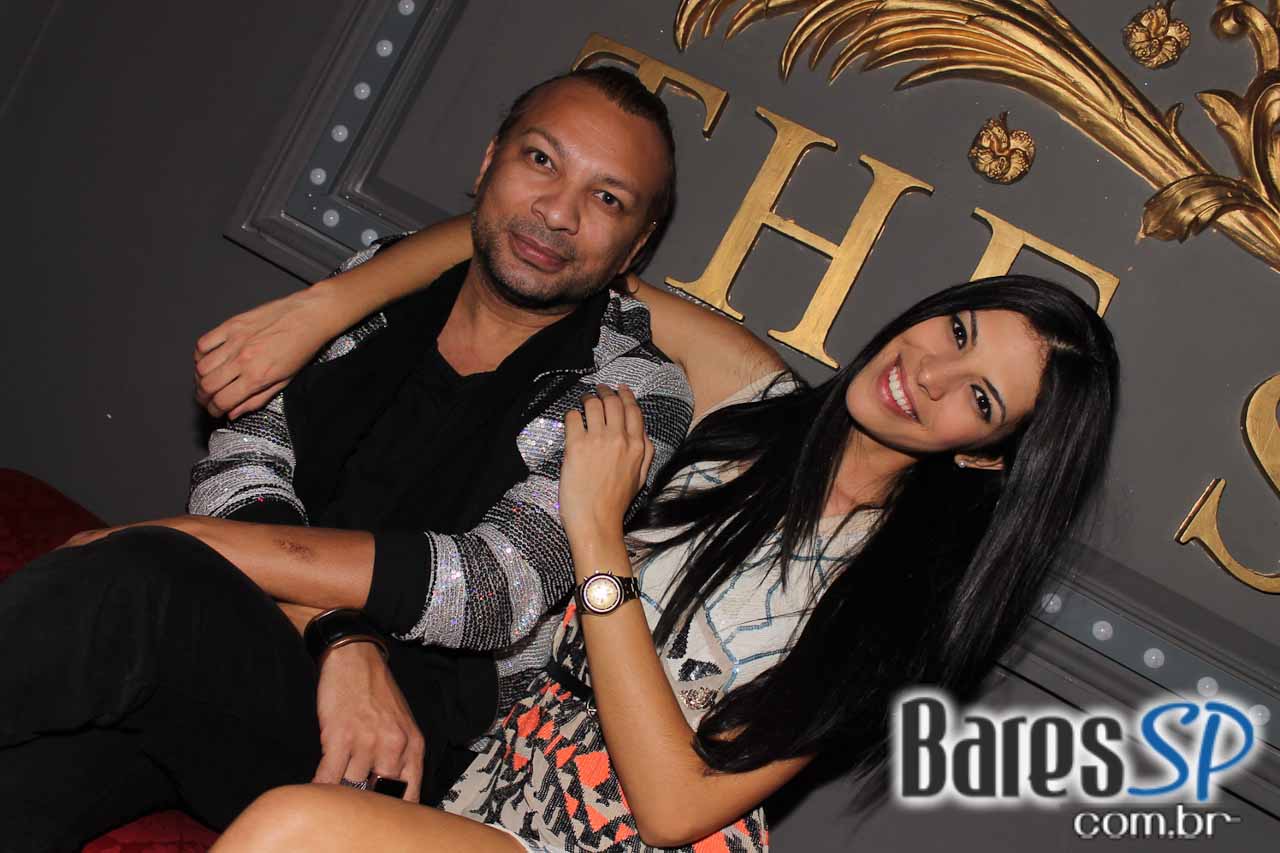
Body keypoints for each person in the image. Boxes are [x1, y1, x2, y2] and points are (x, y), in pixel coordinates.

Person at [0, 66, 697, 852]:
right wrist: (338, 634)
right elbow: (242, 461)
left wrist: (184, 542)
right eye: (541, 160)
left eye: (607, 199)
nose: (559, 212)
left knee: (143, 582)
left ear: (637, 244)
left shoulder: (637, 387)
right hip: (253, 641)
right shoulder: (380, 280)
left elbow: (490, 585)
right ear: (488, 161)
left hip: (390, 738)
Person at [204, 270, 1120, 852]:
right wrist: (324, 305)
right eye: (957, 331)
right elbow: (564, 261)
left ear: (988, 456)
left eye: (980, 398)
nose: (929, 375)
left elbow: (676, 807)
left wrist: (597, 535)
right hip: (494, 788)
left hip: (628, 840)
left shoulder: (896, 609)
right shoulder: (751, 407)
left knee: (296, 829)